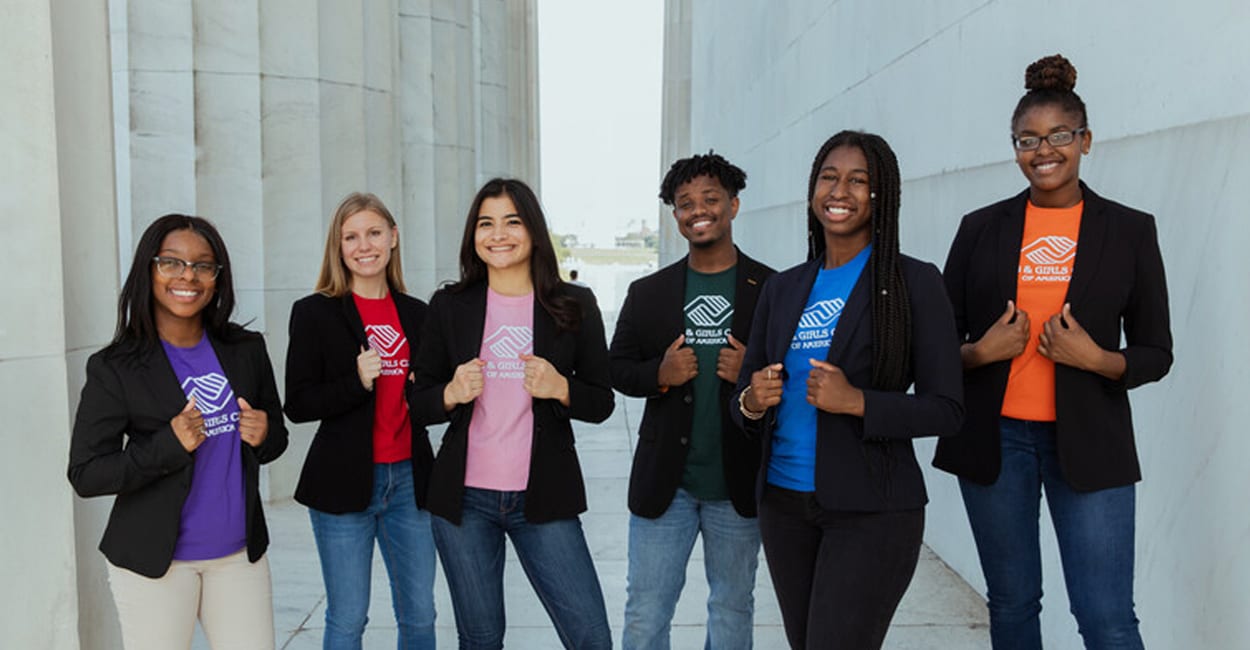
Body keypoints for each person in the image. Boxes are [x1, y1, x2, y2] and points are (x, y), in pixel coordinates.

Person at [933, 54, 1172, 650]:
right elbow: (932, 348)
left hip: (1091, 444)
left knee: (1107, 617)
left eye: (1060, 136)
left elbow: (1156, 351)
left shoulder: (1130, 230)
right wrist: (984, 351)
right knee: (1013, 605)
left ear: (1085, 141)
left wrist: (1096, 359)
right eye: (1028, 139)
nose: (1044, 150)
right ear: (1014, 147)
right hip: (995, 442)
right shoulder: (980, 228)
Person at [732, 131, 964, 649]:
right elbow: (743, 398)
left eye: (859, 180)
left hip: (872, 510)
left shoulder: (914, 282)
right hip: (785, 506)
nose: (841, 190)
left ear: (883, 195)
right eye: (829, 177)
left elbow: (947, 410)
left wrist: (857, 402)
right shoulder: (783, 287)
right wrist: (752, 400)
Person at [409, 178, 615, 649]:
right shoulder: (449, 306)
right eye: (486, 223)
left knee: (590, 636)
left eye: (512, 222)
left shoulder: (572, 305)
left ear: (533, 231)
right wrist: (452, 392)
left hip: (544, 496)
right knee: (480, 640)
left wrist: (561, 387)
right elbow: (417, 405)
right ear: (473, 236)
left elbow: (601, 401)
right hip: (464, 503)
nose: (498, 234)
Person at [69, 214, 288, 650]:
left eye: (203, 266)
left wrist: (265, 435)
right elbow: (87, 473)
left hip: (238, 557)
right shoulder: (116, 367)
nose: (188, 276)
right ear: (148, 269)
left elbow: (275, 438)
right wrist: (168, 445)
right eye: (171, 262)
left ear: (217, 278)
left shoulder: (245, 350)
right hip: (157, 562)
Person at [611, 151, 774, 649]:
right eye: (685, 203)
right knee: (645, 613)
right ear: (675, 214)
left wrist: (750, 372)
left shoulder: (772, 288)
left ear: (734, 205)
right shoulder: (649, 293)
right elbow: (614, 368)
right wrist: (659, 374)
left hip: (737, 485)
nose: (698, 210)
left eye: (710, 199)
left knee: (731, 609)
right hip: (667, 485)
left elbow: (791, 375)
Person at [284, 192, 437, 649]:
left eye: (373, 233)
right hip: (342, 482)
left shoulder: (419, 314)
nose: (363, 245)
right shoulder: (314, 313)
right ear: (338, 246)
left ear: (393, 238)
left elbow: (430, 397)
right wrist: (355, 382)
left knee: (420, 614)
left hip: (410, 480)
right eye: (350, 236)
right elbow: (298, 403)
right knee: (349, 617)